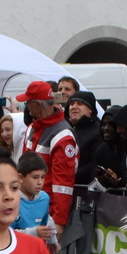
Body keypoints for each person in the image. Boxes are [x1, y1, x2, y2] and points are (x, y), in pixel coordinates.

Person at [15, 80, 77, 234]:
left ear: (38, 105)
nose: (26, 106)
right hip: (26, 207)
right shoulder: (31, 128)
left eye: (28, 102)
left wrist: (58, 221)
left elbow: (63, 184)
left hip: (46, 213)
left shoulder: (63, 136)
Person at [13, 151, 53, 243]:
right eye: (35, 177)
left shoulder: (44, 198)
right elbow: (4, 233)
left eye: (42, 177)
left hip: (34, 252)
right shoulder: (11, 200)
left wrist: (52, 240)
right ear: (20, 178)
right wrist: (32, 232)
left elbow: (47, 221)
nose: (40, 182)